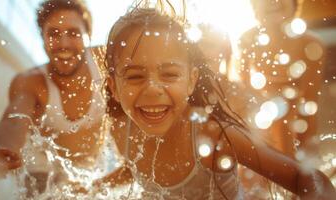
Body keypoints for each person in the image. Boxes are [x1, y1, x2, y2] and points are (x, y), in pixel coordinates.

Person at [97, 4, 335, 199]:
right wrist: (94, 187)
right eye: (135, 76)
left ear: (191, 81)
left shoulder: (213, 135)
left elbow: (306, 178)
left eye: (169, 74)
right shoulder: (121, 128)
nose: (152, 89)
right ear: (113, 88)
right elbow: (138, 167)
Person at [0, 0, 110, 192]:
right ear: (42, 38)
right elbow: (13, 123)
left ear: (88, 36)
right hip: (42, 172)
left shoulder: (105, 63)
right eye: (53, 34)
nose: (63, 43)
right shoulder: (31, 82)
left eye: (73, 33)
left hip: (90, 172)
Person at [231, 0, 325, 158]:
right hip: (259, 118)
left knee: (289, 118)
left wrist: (307, 155)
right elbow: (244, 97)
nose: (273, 1)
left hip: (291, 120)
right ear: (254, 7)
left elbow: (309, 105)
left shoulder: (311, 44)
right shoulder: (246, 41)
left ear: (295, 4)